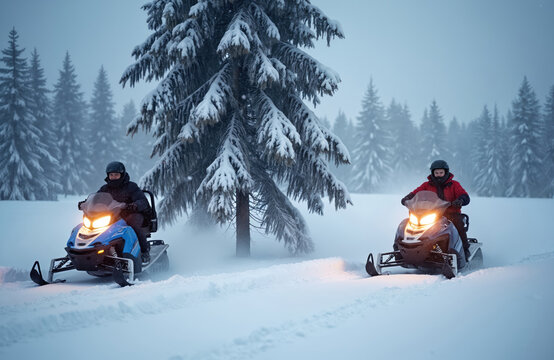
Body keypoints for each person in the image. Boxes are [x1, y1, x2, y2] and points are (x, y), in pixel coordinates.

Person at [401, 160, 471, 260]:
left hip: (451, 214)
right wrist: (407, 198)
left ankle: (465, 249)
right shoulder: (426, 185)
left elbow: (464, 195)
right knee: (406, 224)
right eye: (436, 173)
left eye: (441, 173)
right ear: (432, 173)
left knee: (457, 224)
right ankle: (400, 249)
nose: (438, 175)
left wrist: (460, 200)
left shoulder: (454, 185)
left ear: (446, 172)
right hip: (430, 214)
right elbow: (415, 193)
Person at [97, 161, 152, 264]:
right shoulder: (105, 188)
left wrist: (134, 205)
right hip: (112, 215)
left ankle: (144, 252)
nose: (113, 177)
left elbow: (142, 201)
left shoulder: (131, 187)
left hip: (131, 213)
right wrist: (86, 203)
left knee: (133, 224)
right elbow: (97, 199)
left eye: (116, 175)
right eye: (111, 175)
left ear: (121, 175)